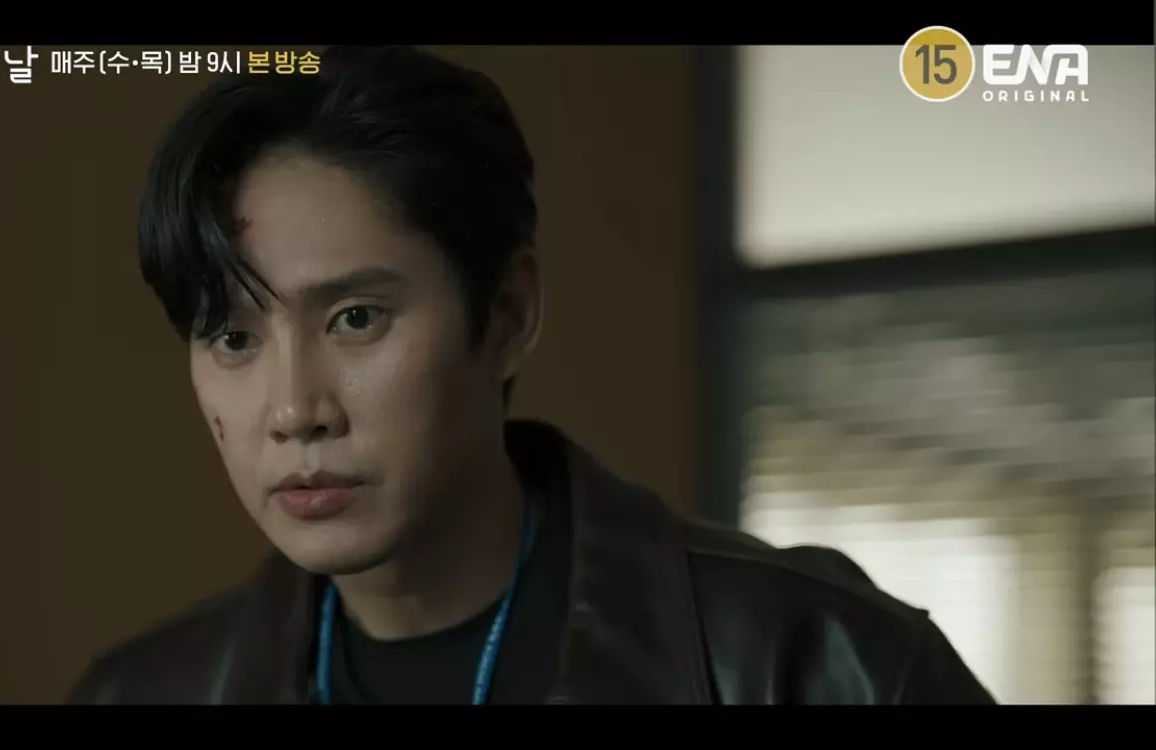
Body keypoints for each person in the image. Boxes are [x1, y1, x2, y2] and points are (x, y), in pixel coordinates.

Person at [68, 45, 996, 705]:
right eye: (233, 337)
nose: (294, 409)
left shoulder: (825, 664)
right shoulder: (141, 694)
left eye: (356, 319)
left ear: (509, 314)